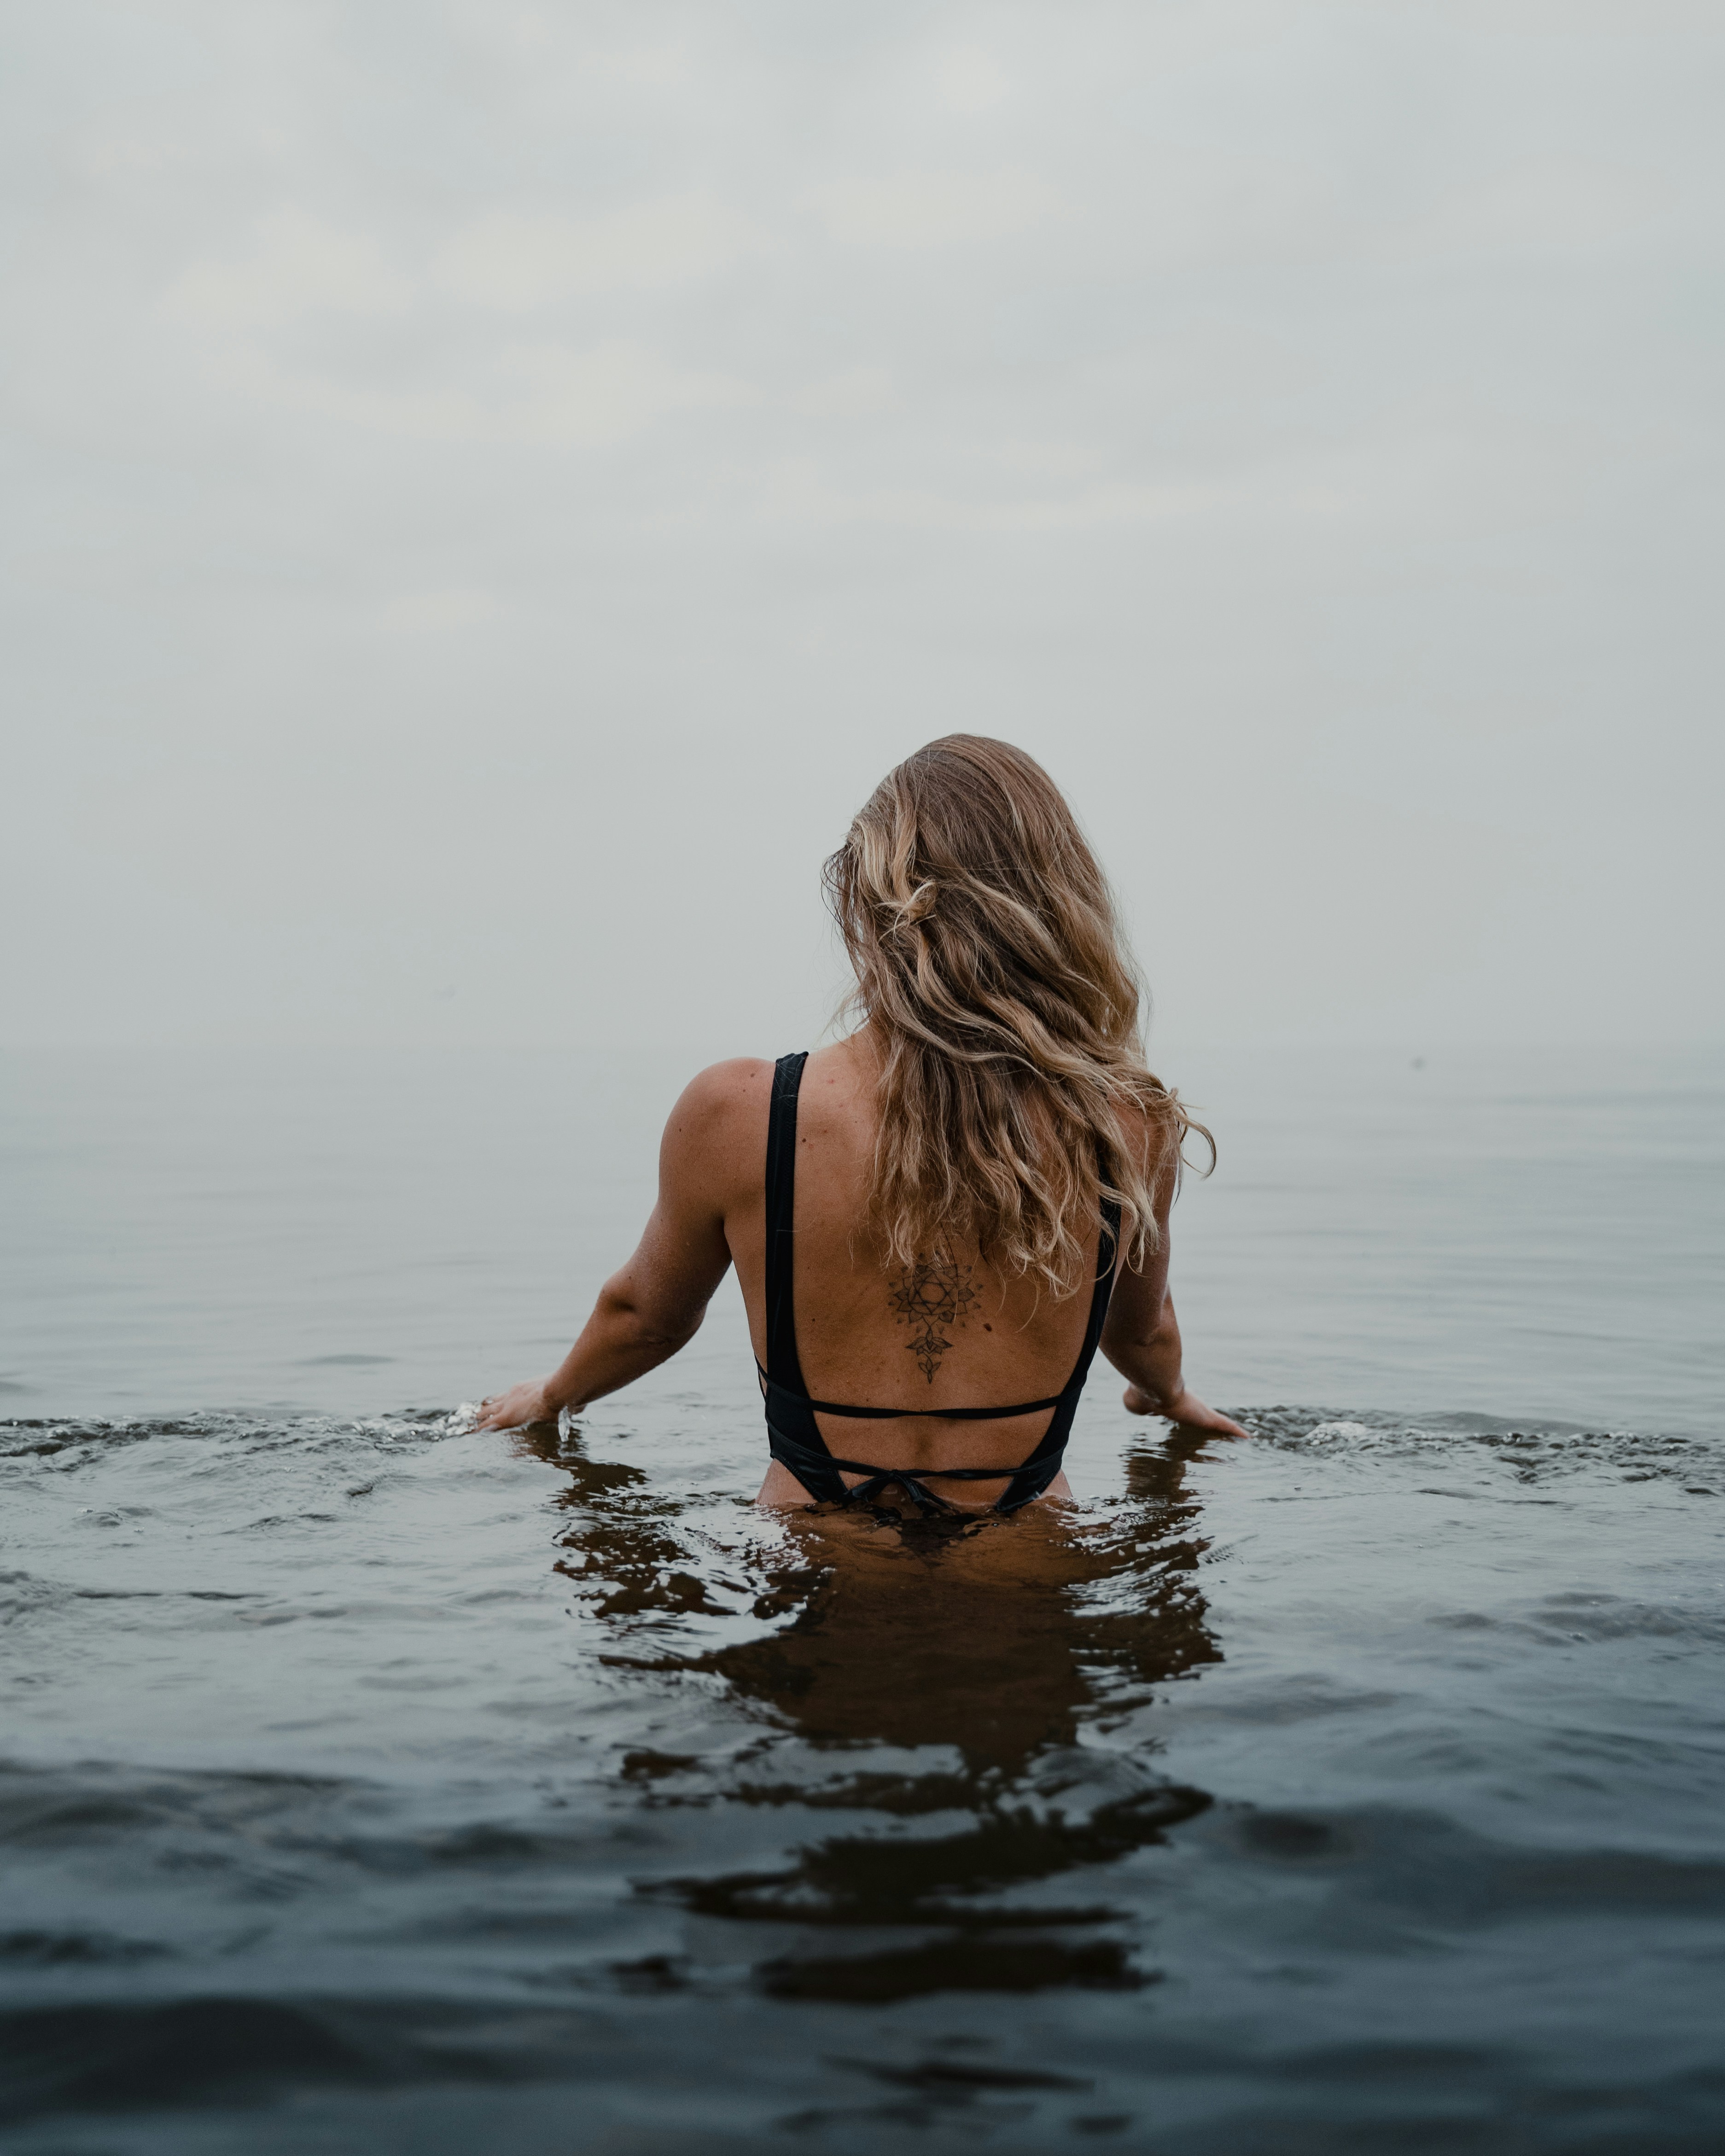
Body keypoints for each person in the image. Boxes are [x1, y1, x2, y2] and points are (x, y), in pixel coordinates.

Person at [475, 735, 1247, 1505]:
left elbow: (644, 1315)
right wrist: (1168, 1394)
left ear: (865, 902)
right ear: (1056, 902)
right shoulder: (1125, 1124)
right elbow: (1140, 1330)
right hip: (1024, 1545)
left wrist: (550, 1397)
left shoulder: (740, 1111)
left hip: (814, 1548)